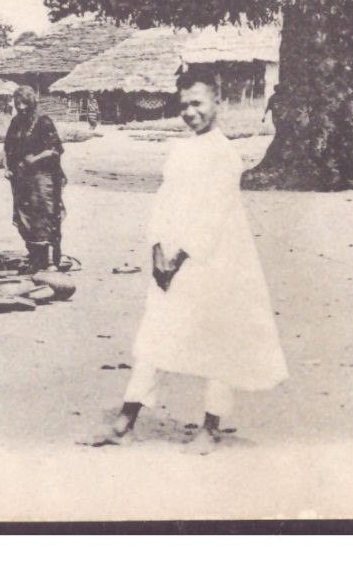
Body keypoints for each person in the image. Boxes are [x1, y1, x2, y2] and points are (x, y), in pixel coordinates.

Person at [98, 66, 288, 451]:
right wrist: (156, 250)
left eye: (198, 103)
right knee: (155, 334)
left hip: (214, 262)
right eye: (184, 106)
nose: (190, 113)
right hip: (170, 259)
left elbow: (213, 217)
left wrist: (179, 258)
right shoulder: (181, 150)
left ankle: (211, 427)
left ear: (217, 101)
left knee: (216, 341)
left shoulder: (224, 155)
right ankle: (124, 423)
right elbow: (164, 203)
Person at [5, 86, 67, 271]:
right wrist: (7, 168)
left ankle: (49, 262)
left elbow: (55, 150)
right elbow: (7, 148)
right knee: (25, 217)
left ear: (32, 103)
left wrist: (35, 159)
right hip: (21, 176)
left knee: (44, 215)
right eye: (18, 104)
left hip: (42, 176)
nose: (21, 107)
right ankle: (35, 258)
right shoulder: (16, 122)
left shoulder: (43, 122)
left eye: (24, 103)